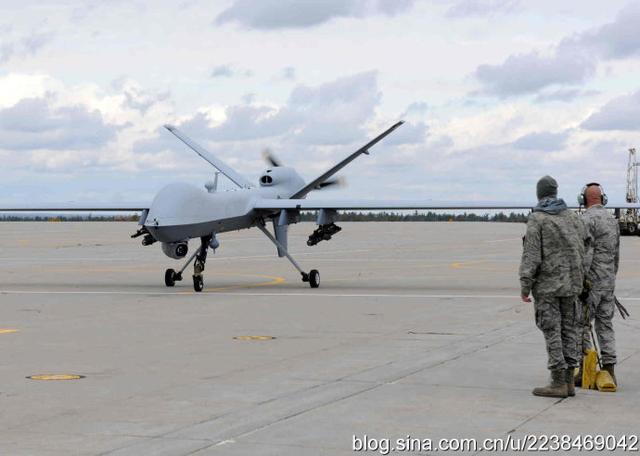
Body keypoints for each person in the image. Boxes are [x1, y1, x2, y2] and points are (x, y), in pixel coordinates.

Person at [519, 176, 589, 398]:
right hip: (572, 285)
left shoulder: (538, 218)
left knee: (552, 331)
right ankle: (569, 381)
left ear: (539, 193)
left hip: (548, 287)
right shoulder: (573, 217)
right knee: (569, 331)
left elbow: (531, 255)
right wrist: (581, 277)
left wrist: (525, 284)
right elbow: (586, 246)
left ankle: (558, 382)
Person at [578, 183, 620, 385]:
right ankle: (610, 369)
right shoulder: (612, 220)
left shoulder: (586, 219)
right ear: (602, 199)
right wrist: (610, 278)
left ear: (583, 199)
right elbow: (616, 255)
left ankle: (586, 370)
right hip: (608, 282)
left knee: (581, 324)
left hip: (591, 284)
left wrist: (582, 282)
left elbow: (587, 254)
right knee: (605, 324)